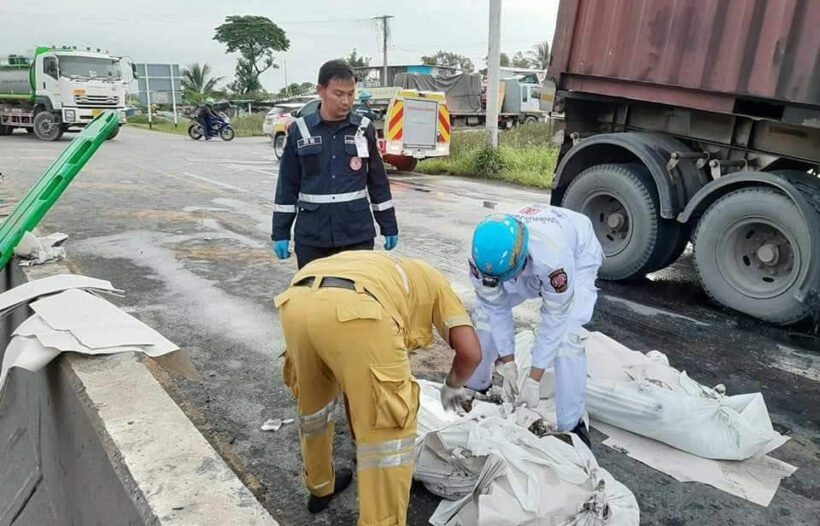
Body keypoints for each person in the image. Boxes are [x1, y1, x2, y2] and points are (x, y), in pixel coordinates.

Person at [276, 251, 481, 525]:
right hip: (361, 311)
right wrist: (452, 386)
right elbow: (470, 353)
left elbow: (357, 381)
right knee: (389, 432)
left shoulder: (388, 268)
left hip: (297, 301)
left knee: (315, 407)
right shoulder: (436, 282)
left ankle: (320, 486)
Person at [465, 204, 603, 447]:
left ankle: (573, 425)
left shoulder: (554, 260)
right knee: (485, 316)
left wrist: (533, 379)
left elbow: (555, 319)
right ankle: (476, 387)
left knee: (567, 338)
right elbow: (496, 309)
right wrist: (508, 363)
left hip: (577, 252)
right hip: (514, 261)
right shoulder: (482, 257)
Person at [272, 60, 398, 269]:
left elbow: (378, 182)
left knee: (356, 297)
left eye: (351, 94)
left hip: (356, 234)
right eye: (338, 94)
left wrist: (388, 225)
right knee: (315, 297)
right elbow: (287, 186)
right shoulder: (300, 131)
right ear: (320, 90)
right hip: (313, 237)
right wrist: (281, 232)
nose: (346, 101)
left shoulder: (363, 129)